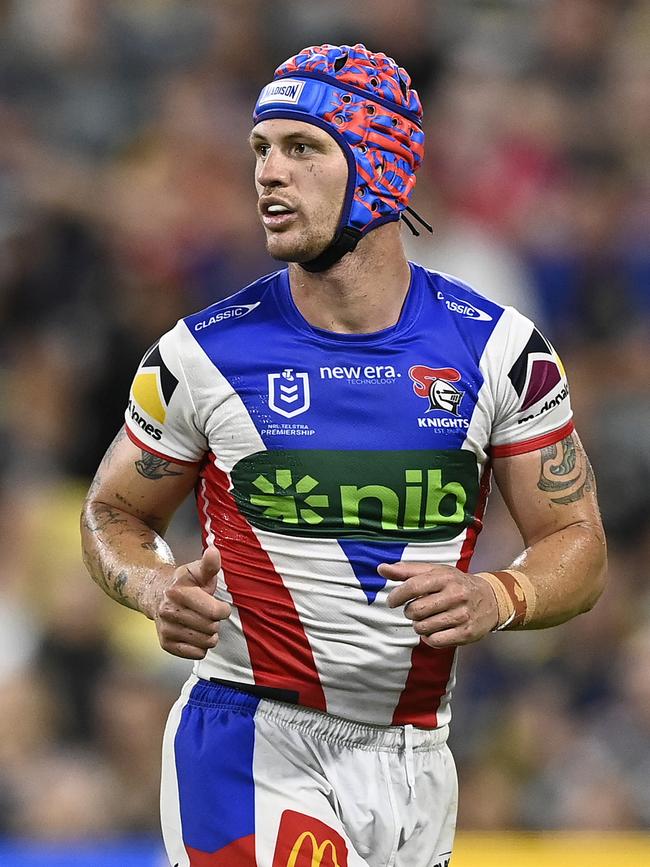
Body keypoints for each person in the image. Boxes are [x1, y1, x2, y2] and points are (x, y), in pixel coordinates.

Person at [81, 44, 607, 867]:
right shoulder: (200, 354)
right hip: (247, 741)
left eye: (302, 148)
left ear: (380, 166)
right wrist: (152, 585)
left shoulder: (502, 351)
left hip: (418, 760)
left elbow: (578, 541)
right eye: (260, 149)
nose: (268, 174)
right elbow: (113, 509)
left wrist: (501, 594)